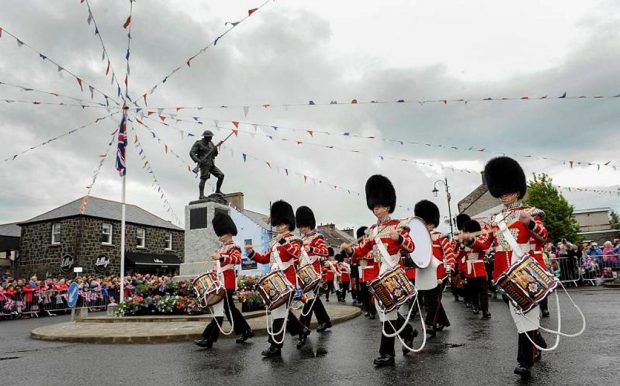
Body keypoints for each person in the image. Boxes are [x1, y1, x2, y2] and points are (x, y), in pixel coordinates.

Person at [462, 157, 548, 379]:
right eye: (501, 192)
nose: (505, 196)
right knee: (519, 315)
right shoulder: (496, 218)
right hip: (504, 274)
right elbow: (485, 245)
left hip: (526, 271)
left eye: (508, 192)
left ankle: (524, 362)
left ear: (518, 191)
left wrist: (529, 222)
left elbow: (543, 237)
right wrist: (470, 240)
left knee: (526, 316)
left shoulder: (532, 212)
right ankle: (536, 341)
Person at [341, 174, 416, 367]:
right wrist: (349, 250)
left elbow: (411, 246)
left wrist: (398, 238)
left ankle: (387, 354)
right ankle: (408, 332)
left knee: (387, 311)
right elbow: (360, 251)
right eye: (374, 207)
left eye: (380, 206)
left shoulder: (399, 225)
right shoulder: (372, 231)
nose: (377, 210)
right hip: (377, 275)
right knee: (383, 311)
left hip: (392, 273)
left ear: (388, 206)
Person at [246, 200, 311, 358]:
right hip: (275, 280)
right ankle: (302, 329)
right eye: (277, 224)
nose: (278, 227)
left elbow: (296, 253)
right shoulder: (274, 242)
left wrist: (283, 241)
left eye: (281, 224)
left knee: (278, 314)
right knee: (281, 313)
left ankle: (275, 346)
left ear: (288, 224)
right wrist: (252, 254)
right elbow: (265, 259)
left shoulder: (294, 240)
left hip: (287, 282)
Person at [195, 213, 254, 349]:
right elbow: (218, 267)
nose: (219, 236)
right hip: (220, 283)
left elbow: (237, 259)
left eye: (221, 234)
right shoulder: (222, 248)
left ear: (228, 233)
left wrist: (220, 257)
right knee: (225, 309)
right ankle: (245, 331)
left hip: (228, 283)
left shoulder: (234, 246)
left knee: (223, 309)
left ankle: (208, 338)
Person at [414, 200, 455, 337]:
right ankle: (443, 321)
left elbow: (449, 252)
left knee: (433, 299)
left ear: (432, 222)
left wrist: (450, 267)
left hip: (439, 273)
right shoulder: (418, 238)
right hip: (424, 273)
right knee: (430, 299)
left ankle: (430, 323)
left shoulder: (439, 236)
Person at [296, 205, 332, 332]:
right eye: (300, 227)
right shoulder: (301, 240)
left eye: (304, 226)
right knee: (314, 298)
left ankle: (302, 324)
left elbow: (324, 252)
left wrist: (311, 249)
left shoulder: (318, 237)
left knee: (309, 298)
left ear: (310, 224)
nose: (302, 229)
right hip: (304, 272)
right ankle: (325, 321)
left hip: (314, 272)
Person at [460, 220, 491, 319]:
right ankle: (475, 306)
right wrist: (461, 248)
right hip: (469, 270)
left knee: (483, 291)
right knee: (473, 291)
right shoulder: (464, 243)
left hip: (479, 268)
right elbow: (460, 256)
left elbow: (482, 247)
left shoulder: (479, 240)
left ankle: (485, 310)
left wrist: (471, 240)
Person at [189, 130, 225, 199]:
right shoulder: (198, 143)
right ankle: (201, 195)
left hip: (211, 163)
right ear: (206, 137)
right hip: (204, 164)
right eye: (210, 137)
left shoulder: (211, 143)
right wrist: (198, 160)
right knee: (203, 179)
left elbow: (215, 154)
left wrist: (215, 149)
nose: (211, 138)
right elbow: (192, 153)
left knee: (221, 175)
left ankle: (217, 191)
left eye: (211, 137)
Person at [353, 226, 378, 319]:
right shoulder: (359, 246)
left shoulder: (371, 243)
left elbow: (375, 254)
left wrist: (363, 256)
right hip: (362, 272)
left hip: (371, 271)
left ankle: (373, 311)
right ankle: (367, 309)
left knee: (371, 293)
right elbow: (354, 259)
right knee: (363, 292)